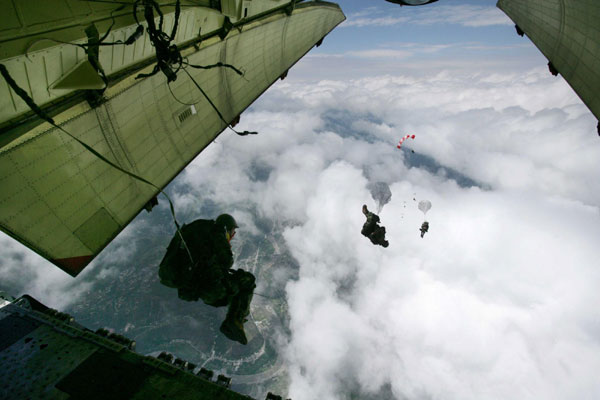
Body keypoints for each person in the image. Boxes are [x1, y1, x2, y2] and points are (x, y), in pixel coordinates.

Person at [158, 214, 255, 345]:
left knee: (226, 289)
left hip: (182, 281)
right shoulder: (217, 232)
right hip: (207, 287)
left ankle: (233, 320)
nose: (232, 236)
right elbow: (226, 261)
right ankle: (234, 321)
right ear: (227, 228)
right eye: (232, 232)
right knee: (248, 280)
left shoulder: (199, 228)